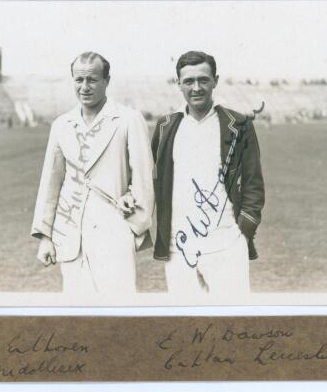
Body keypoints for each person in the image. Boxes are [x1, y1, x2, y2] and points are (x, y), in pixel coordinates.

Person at [31, 51, 154, 295]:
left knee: (117, 312)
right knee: (78, 317)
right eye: (79, 80)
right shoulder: (61, 125)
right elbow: (50, 183)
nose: (85, 87)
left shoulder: (128, 119)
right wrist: (45, 236)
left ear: (107, 81)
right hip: (70, 234)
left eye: (92, 80)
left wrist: (133, 228)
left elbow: (144, 177)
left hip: (115, 231)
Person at [152, 51, 265, 295]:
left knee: (231, 324)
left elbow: (253, 183)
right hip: (178, 246)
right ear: (178, 84)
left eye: (203, 80)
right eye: (189, 81)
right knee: (185, 326)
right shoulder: (165, 127)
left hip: (226, 244)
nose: (196, 88)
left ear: (215, 80)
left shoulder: (237, 125)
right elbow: (155, 181)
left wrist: (242, 233)